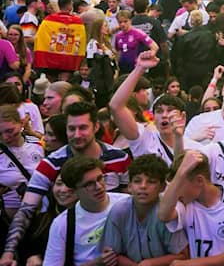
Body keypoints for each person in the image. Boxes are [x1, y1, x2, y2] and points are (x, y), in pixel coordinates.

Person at [1, 101, 131, 266]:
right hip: (71, 249)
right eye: (71, 129)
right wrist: (9, 252)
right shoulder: (51, 164)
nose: (76, 134)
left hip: (119, 248)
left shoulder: (119, 158)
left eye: (82, 128)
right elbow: (26, 209)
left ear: (96, 127)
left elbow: (131, 201)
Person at [157, 150, 224, 265]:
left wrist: (190, 264)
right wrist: (181, 173)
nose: (176, 192)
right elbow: (163, 215)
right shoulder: (186, 203)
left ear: (199, 181)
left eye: (180, 184)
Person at [100, 154, 188, 265]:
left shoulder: (167, 212)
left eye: (151, 181)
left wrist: (151, 263)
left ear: (162, 187)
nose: (143, 186)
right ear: (129, 186)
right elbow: (112, 255)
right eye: (137, 181)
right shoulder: (119, 210)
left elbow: (183, 255)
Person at [43, 155, 131, 266]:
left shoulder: (126, 203)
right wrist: (96, 263)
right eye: (89, 184)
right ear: (74, 190)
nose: (99, 187)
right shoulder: (63, 223)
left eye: (100, 178)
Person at [108, 51, 188, 163]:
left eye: (170, 111)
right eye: (159, 111)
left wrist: (178, 138)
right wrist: (140, 68)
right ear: (153, 116)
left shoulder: (194, 146)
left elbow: (179, 172)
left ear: (182, 117)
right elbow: (115, 106)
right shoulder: (144, 138)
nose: (165, 115)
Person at [0, 105, 44, 222]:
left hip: (41, 218)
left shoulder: (38, 145)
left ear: (21, 124)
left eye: (10, 131)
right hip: (10, 223)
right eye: (0, 134)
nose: (5, 137)